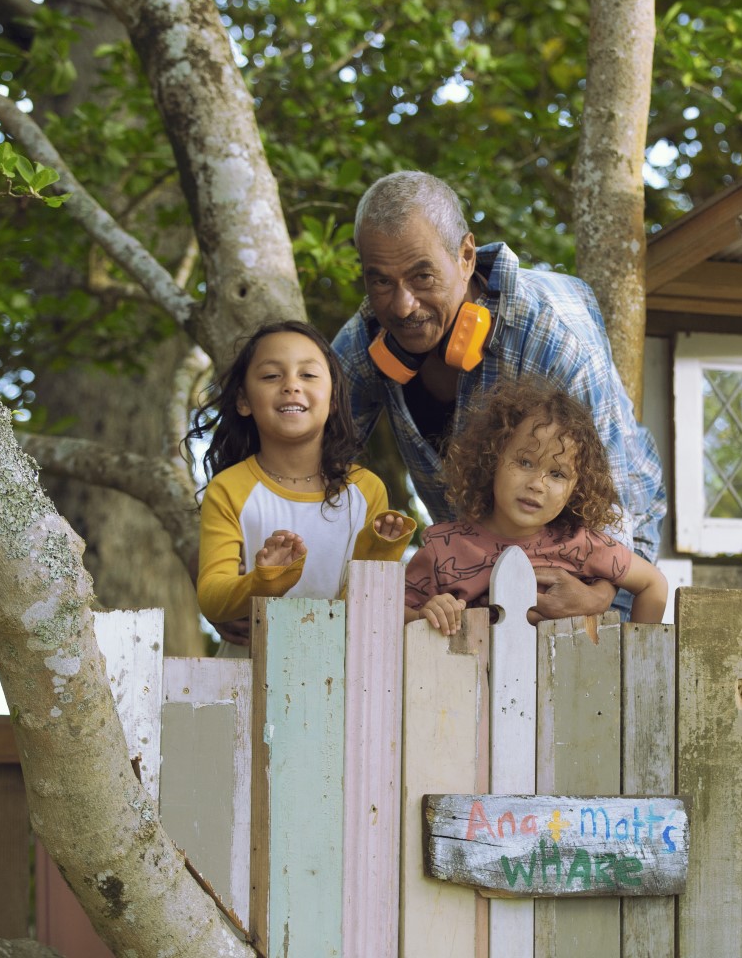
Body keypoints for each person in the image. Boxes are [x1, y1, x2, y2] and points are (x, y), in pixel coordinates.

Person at [333, 170, 666, 619]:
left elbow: (617, 501)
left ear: (466, 256)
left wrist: (600, 596)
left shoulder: (555, 339)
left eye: (422, 276)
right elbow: (303, 448)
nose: (402, 305)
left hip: (600, 542)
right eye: (380, 282)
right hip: (471, 559)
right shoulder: (368, 336)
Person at [193, 320, 414, 648]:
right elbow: (212, 596)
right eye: (271, 375)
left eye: (308, 375)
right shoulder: (229, 488)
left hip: (344, 677)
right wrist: (263, 583)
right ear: (243, 400)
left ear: (335, 398)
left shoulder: (367, 490)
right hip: (246, 679)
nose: (290, 385)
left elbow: (363, 607)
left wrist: (378, 555)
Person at [405, 381, 667, 634]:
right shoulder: (442, 550)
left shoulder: (583, 545)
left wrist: (638, 668)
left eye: (557, 474)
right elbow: (387, 612)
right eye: (525, 462)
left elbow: (653, 584)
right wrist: (424, 614)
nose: (537, 484)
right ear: (492, 458)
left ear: (577, 487)